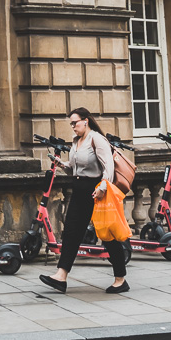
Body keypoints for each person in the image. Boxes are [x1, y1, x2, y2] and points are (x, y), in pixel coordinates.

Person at [38, 107, 128, 295]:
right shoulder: (76, 141)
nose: (73, 127)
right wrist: (62, 164)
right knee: (71, 232)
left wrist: (102, 188)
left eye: (75, 122)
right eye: (71, 123)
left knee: (107, 235)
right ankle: (61, 276)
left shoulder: (97, 139)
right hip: (79, 190)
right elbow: (75, 169)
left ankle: (120, 279)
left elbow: (108, 168)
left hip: (95, 192)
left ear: (85, 121)